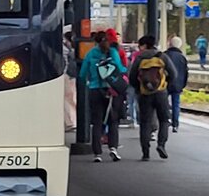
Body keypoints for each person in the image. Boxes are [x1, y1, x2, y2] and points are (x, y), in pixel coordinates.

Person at [128, 35, 177, 161]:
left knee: (145, 123)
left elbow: (132, 77)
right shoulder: (162, 57)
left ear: (144, 45)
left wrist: (139, 89)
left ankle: (145, 153)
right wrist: (165, 85)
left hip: (145, 95)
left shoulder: (139, 58)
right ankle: (161, 145)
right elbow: (173, 74)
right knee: (164, 120)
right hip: (161, 93)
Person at [78, 31, 125, 162]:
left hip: (95, 90)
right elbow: (120, 69)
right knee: (113, 121)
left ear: (95, 41)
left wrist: (89, 81)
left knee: (97, 122)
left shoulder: (91, 54)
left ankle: (97, 153)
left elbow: (82, 74)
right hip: (111, 90)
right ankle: (113, 148)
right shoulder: (113, 52)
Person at [165, 36, 189, 132]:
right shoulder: (182, 57)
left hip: (165, 83)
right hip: (178, 84)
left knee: (164, 103)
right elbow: (186, 72)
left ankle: (165, 120)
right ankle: (175, 124)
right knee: (176, 104)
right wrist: (183, 84)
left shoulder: (165, 55)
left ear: (170, 44)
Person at [63, 31, 78, 132]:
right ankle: (74, 121)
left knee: (67, 99)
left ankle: (70, 121)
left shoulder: (63, 48)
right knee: (72, 99)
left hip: (66, 75)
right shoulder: (72, 49)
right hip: (72, 76)